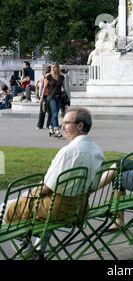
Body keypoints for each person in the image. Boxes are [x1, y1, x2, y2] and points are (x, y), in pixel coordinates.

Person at [2, 107, 105, 260]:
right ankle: (38, 252)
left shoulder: (69, 151)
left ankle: (29, 254)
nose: (62, 126)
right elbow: (92, 187)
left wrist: (29, 194)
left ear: (80, 126)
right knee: (43, 214)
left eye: (66, 123)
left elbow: (46, 187)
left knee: (5, 211)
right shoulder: (98, 152)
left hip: (55, 209)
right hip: (78, 209)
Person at [39, 62, 65, 138]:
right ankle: (57, 130)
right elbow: (44, 87)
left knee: (55, 114)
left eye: (54, 67)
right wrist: (41, 97)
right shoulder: (49, 77)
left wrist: (65, 97)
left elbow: (64, 88)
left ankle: (51, 128)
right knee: (55, 114)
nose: (53, 69)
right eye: (51, 67)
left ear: (57, 68)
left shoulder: (61, 77)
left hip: (59, 97)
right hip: (51, 98)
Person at [36, 66, 51, 130]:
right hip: (50, 95)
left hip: (44, 95)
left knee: (42, 111)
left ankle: (40, 125)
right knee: (50, 111)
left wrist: (40, 96)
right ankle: (48, 125)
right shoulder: (51, 77)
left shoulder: (42, 77)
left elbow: (40, 86)